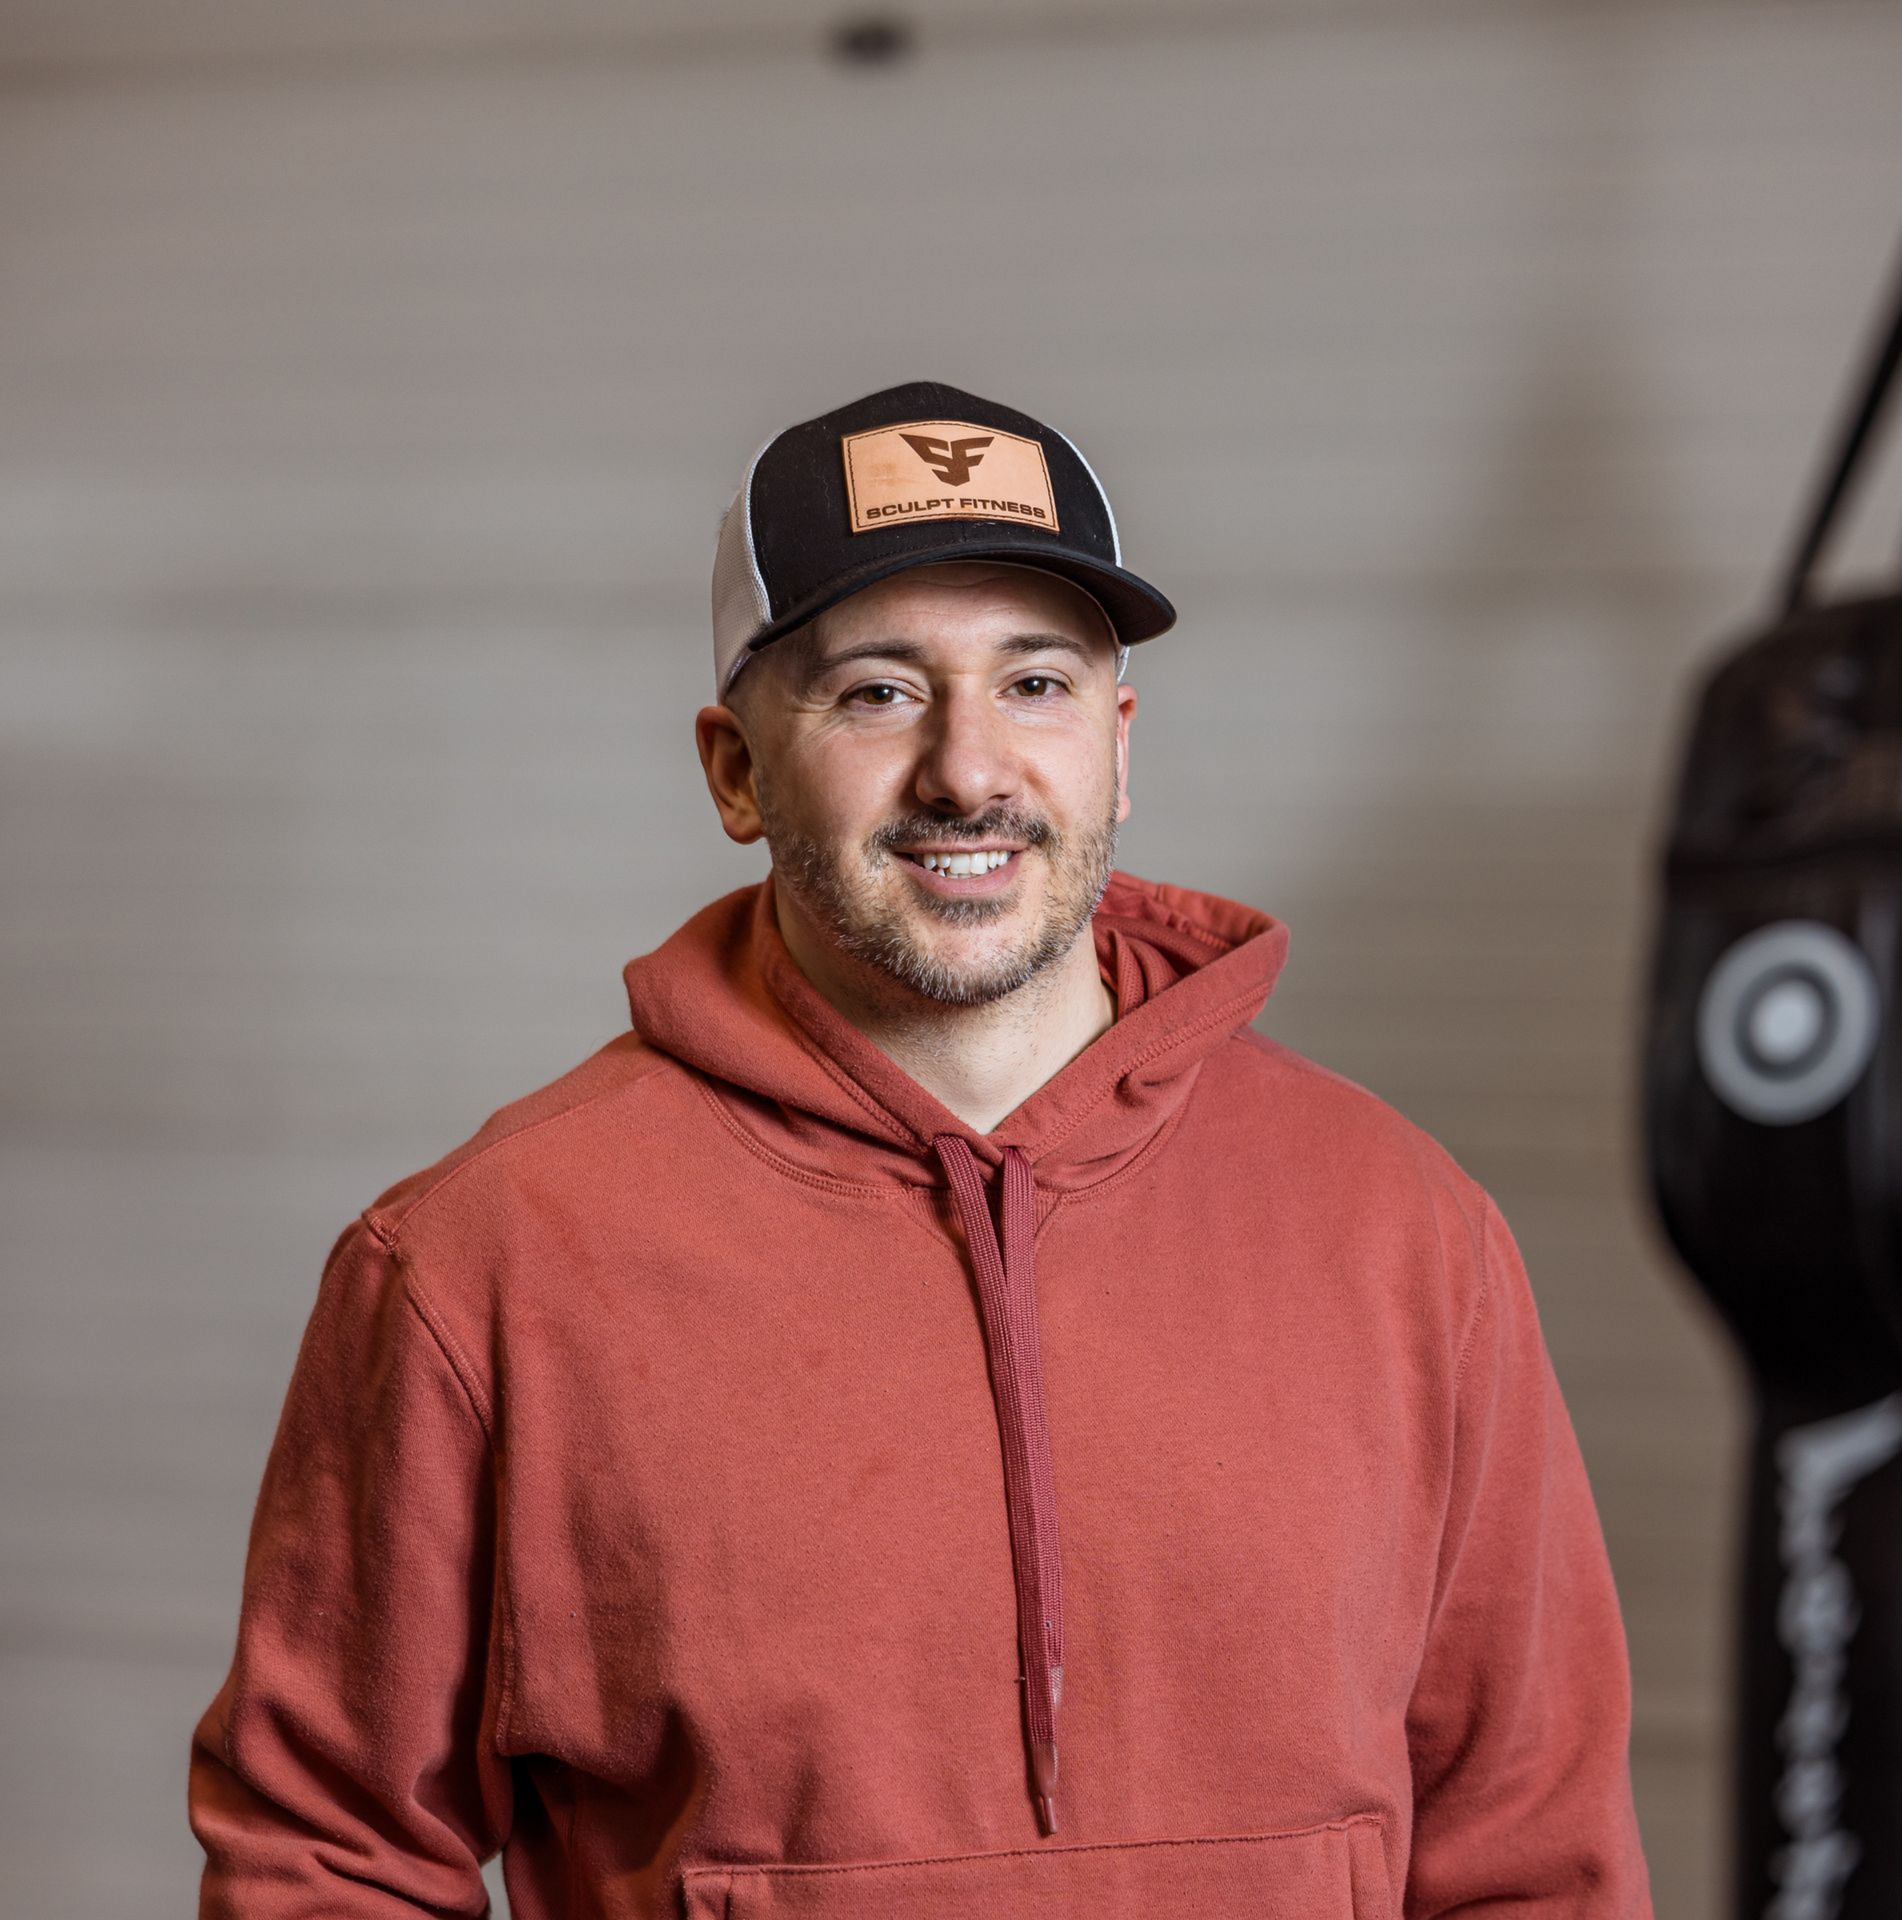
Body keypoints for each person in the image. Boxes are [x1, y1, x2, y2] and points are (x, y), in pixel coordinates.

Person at [188, 380, 1656, 1918]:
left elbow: (1532, 1852)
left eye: (1036, 683)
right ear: (736, 770)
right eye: (878, 692)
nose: (970, 769)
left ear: (1119, 746)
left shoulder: (1401, 1231)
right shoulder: (483, 1264)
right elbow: (325, 1859)